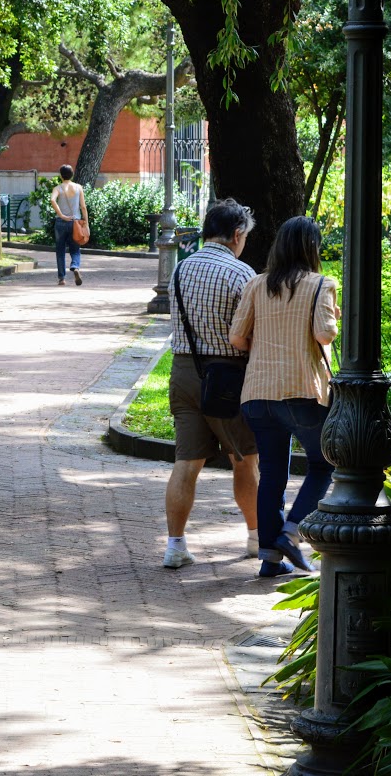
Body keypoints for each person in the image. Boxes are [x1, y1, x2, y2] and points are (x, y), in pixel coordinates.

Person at [229, 216, 339, 578]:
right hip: (301, 391)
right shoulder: (321, 284)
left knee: (272, 474)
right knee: (324, 464)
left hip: (257, 394)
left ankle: (270, 559)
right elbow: (324, 335)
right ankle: (291, 534)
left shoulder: (256, 284)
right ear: (312, 248)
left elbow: (237, 338)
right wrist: (334, 316)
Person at [162, 198, 260, 569]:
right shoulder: (241, 274)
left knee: (186, 463)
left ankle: (175, 546)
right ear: (236, 234)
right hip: (228, 377)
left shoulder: (180, 269)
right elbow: (249, 332)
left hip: (184, 372)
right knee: (244, 461)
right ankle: (256, 539)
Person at [49, 164, 87, 286]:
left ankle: (62, 278)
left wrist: (61, 215)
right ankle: (75, 267)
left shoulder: (57, 188)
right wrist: (86, 223)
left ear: (61, 175)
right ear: (72, 175)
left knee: (60, 250)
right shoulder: (78, 187)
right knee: (75, 249)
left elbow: (52, 200)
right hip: (75, 223)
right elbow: (83, 207)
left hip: (61, 223)